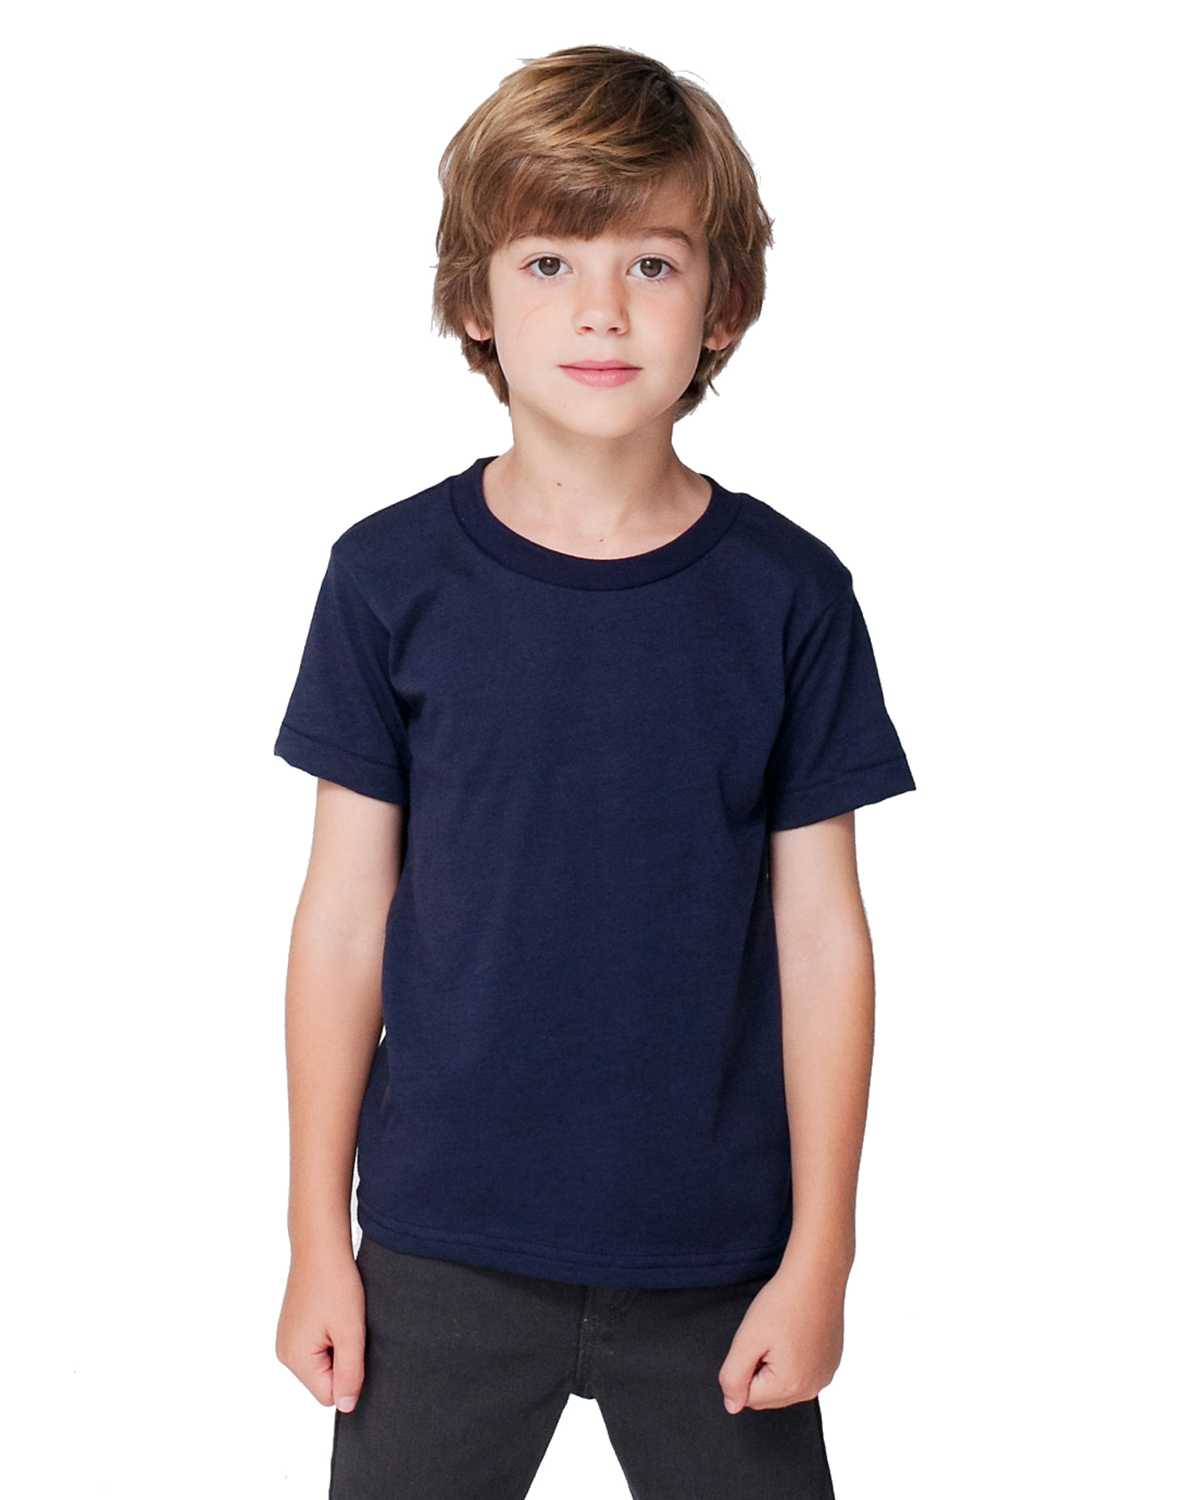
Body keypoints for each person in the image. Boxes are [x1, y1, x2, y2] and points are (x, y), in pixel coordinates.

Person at [272, 43, 916, 1500]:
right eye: (550, 260)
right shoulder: (386, 582)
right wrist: (316, 1232)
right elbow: (342, 922)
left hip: (719, 1257)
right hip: (439, 1242)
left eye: (653, 263)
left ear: (723, 304)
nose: (602, 309)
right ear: (474, 299)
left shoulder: (790, 597)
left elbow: (824, 936)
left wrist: (824, 1253)